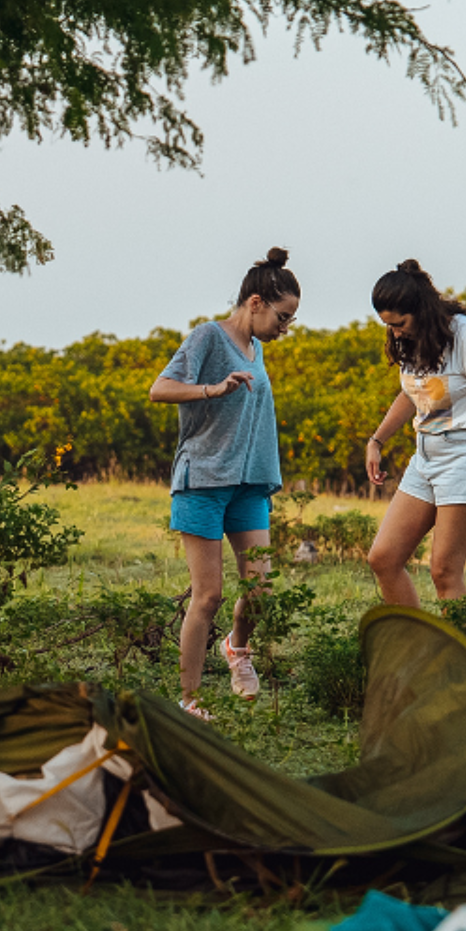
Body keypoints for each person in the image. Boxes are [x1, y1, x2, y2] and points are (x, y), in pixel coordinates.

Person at [148, 248, 300, 720]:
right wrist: (211, 389)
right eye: (282, 316)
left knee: (261, 591)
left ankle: (236, 648)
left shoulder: (255, 349)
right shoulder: (208, 337)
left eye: (291, 319)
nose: (285, 327)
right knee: (208, 596)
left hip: (248, 484)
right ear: (255, 303)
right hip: (203, 481)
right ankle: (189, 701)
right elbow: (160, 389)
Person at [363, 259, 466, 607]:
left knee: (444, 572)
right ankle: (416, 641)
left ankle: (461, 645)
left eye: (399, 324)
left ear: (420, 309)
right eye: (388, 326)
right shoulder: (413, 339)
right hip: (426, 455)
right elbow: (414, 392)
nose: (395, 333)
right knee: (383, 558)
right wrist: (376, 440)